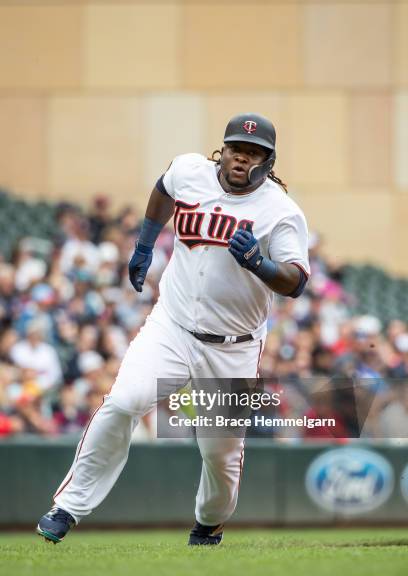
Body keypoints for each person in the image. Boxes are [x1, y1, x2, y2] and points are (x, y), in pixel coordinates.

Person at [37, 113, 310, 546]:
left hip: (233, 346)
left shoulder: (280, 210)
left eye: (253, 153)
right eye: (237, 149)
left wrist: (262, 264)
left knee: (219, 454)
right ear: (224, 150)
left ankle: (209, 522)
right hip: (173, 324)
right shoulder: (190, 170)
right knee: (125, 400)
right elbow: (164, 189)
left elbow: (296, 281)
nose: (242, 158)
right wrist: (145, 243)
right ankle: (69, 506)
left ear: (268, 162)